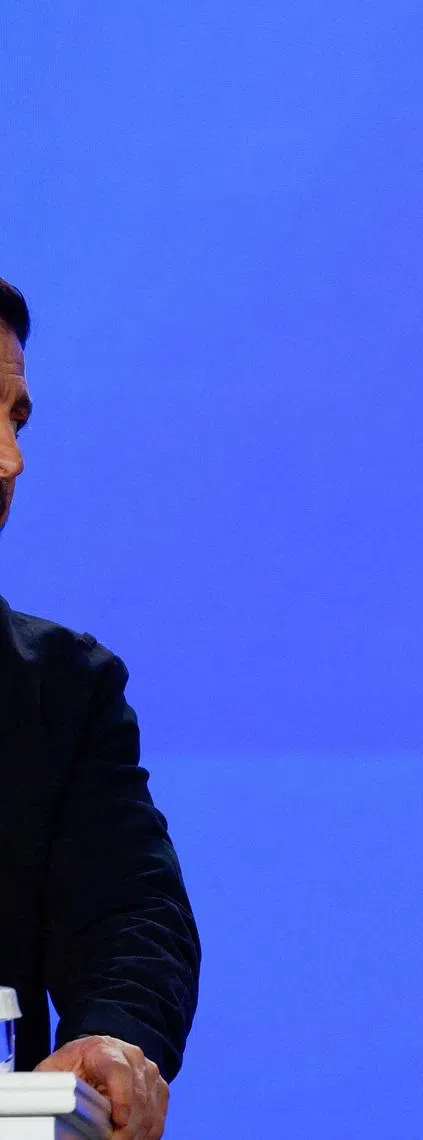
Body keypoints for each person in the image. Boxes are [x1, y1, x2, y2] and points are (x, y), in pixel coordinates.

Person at [0, 278, 199, 1138]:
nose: (11, 462)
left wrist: (108, 1034)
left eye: (17, 419)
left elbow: (129, 912)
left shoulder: (59, 687)